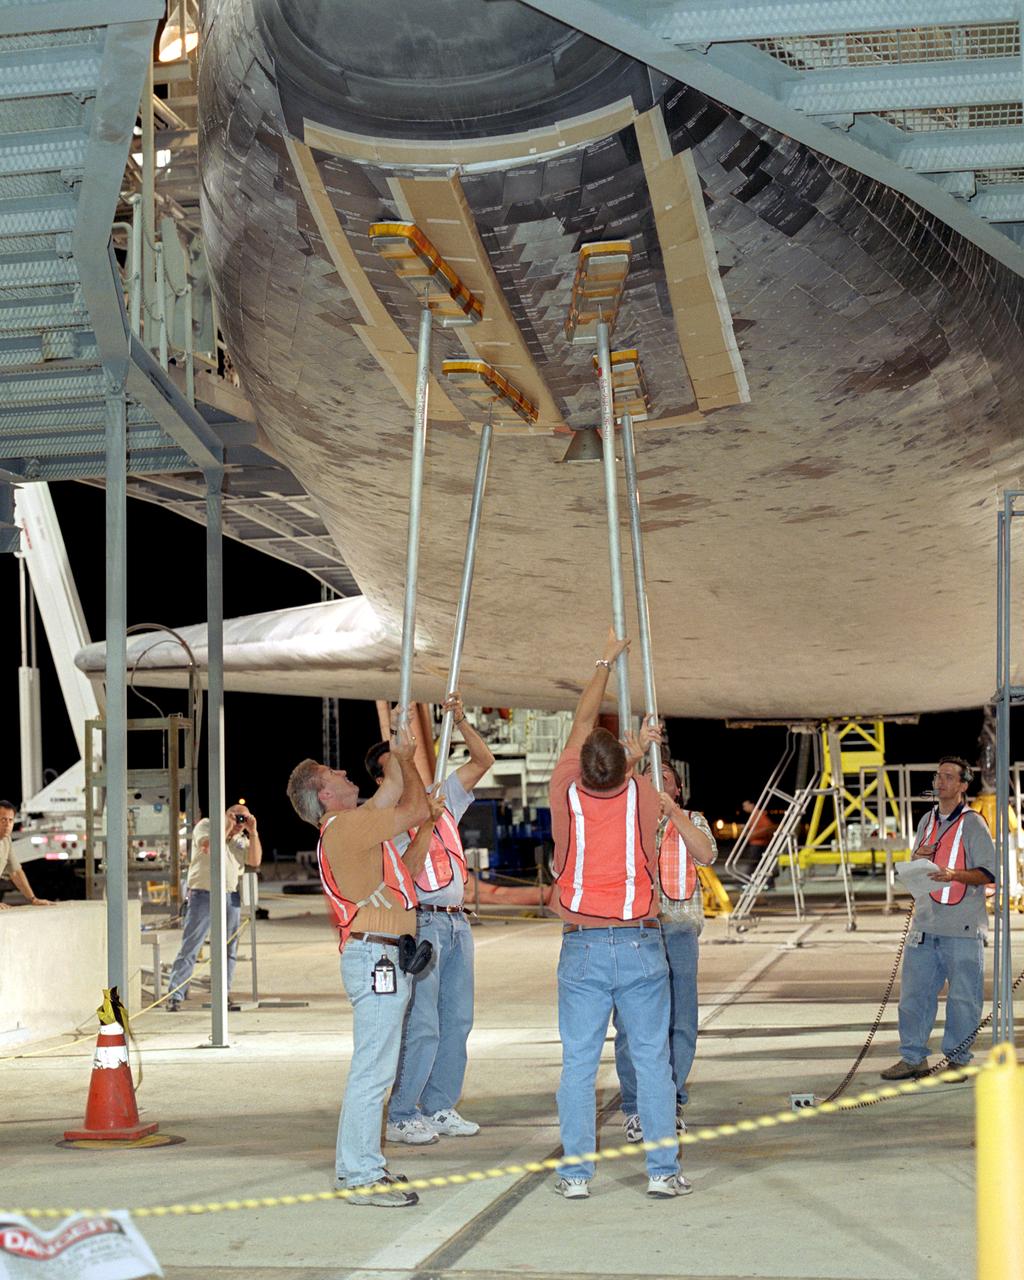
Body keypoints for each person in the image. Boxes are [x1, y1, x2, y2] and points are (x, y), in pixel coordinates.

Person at [548, 632, 687, 1201]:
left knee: (579, 1065)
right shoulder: (647, 795)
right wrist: (641, 749)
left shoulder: (564, 792)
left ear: (581, 768)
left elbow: (583, 723)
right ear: (625, 769)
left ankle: (577, 1175)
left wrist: (604, 658)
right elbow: (623, 778)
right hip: (639, 944)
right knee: (652, 1060)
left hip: (582, 944)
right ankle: (662, 1171)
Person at [287, 723, 430, 1208]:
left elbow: (403, 867)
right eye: (336, 773)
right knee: (373, 1071)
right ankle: (358, 1174)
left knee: (376, 1068)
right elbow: (411, 804)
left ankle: (363, 1164)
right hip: (377, 957)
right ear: (326, 794)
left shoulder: (355, 829)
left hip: (381, 952)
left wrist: (400, 756)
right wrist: (406, 759)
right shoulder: (347, 827)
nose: (349, 772)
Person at [363, 693, 495, 1146]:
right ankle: (402, 1111)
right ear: (382, 778)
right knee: (423, 1023)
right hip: (424, 923)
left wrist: (460, 718)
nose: (409, 765)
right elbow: (410, 871)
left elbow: (483, 758)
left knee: (458, 1020)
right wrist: (424, 823)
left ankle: (439, 1105)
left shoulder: (442, 799)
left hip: (457, 922)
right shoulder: (384, 820)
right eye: (397, 762)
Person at [614, 760, 717, 1141]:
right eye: (649, 778)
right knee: (630, 1024)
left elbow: (706, 854)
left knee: (681, 1021)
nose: (658, 783)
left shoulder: (693, 819)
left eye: (666, 779)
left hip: (677, 932)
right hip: (637, 932)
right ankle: (635, 1105)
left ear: (677, 790)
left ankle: (669, 1100)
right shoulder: (626, 820)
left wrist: (673, 815)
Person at [880, 756, 996, 1082]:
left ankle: (958, 1061)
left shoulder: (973, 823)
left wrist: (954, 874)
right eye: (938, 775)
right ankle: (913, 1057)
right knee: (914, 996)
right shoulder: (927, 820)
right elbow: (921, 859)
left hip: (962, 926)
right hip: (926, 924)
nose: (940, 781)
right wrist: (916, 861)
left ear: (962, 785)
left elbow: (989, 872)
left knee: (963, 998)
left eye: (948, 777)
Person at [166, 804, 263, 1011]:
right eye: (236, 817)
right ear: (226, 815)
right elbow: (209, 848)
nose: (239, 823)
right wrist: (227, 827)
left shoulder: (240, 840)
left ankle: (223, 992)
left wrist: (252, 832)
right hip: (203, 894)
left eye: (242, 819)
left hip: (230, 895)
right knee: (192, 945)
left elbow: (254, 861)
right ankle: (175, 994)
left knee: (229, 948)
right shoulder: (206, 826)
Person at [0, 800, 54, 909]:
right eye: (3, 820)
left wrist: (33, 899)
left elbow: (15, 872)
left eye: (10, 820)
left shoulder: (6, 840)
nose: (7, 824)